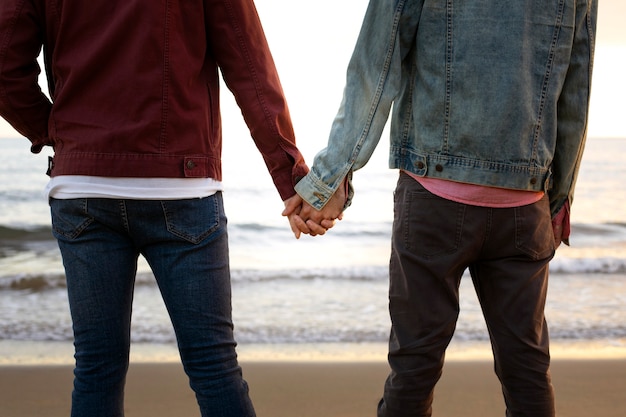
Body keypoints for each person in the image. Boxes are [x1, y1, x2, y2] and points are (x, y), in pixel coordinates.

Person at [284, 0, 597, 416]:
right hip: (524, 208)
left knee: (414, 368)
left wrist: (331, 178)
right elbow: (577, 85)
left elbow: (376, 66)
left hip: (434, 200)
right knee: (528, 373)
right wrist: (559, 198)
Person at [0, 1, 308, 416]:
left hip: (83, 188)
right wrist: (291, 178)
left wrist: (62, 136)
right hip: (181, 186)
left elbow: (3, 67)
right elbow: (250, 67)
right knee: (214, 368)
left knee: (95, 368)